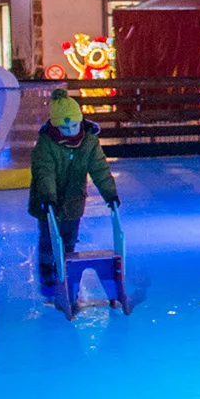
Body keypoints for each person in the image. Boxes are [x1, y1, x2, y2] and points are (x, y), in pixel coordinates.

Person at [29, 89, 119, 292]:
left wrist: (110, 194)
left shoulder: (89, 142)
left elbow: (100, 170)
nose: (70, 131)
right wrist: (48, 198)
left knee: (69, 237)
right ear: (55, 126)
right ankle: (46, 269)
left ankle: (66, 268)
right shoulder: (45, 145)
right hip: (47, 200)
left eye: (74, 125)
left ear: (81, 121)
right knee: (48, 237)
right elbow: (45, 174)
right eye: (65, 127)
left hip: (73, 199)